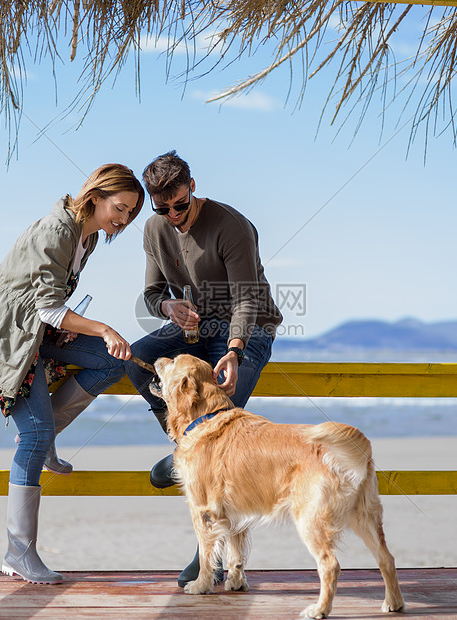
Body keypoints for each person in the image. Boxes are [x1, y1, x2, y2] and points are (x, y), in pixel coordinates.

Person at [0, 163, 144, 584]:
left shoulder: (90, 237)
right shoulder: (58, 229)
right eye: (120, 208)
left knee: (111, 360)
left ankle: (48, 438)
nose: (123, 219)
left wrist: (69, 327)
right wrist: (101, 326)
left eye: (131, 214)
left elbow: (48, 305)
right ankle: (18, 553)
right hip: (10, 341)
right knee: (32, 436)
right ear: (97, 196)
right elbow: (45, 305)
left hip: (40, 333)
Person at [125, 150, 283, 587]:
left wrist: (233, 349)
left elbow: (247, 300)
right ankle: (186, 449)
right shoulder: (156, 228)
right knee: (139, 363)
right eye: (163, 209)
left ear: (191, 186)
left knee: (223, 412)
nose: (173, 215)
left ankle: (206, 555)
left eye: (179, 204)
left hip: (247, 329)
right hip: (195, 328)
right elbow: (152, 293)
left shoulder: (230, 226)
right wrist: (168, 306)